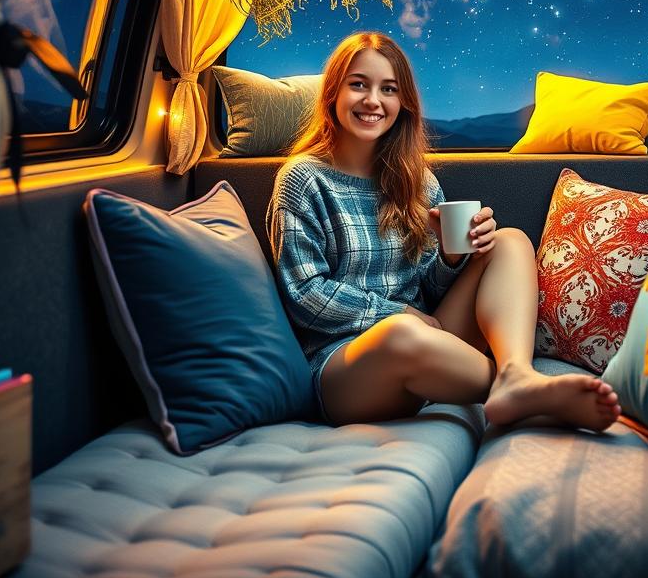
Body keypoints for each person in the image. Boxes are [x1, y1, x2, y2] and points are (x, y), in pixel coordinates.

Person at [267, 31, 622, 430]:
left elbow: (429, 287)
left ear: (403, 104)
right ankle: (519, 389)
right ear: (333, 92)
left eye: (389, 89)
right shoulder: (302, 179)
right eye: (358, 85)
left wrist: (453, 256)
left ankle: (516, 373)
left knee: (509, 242)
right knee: (400, 333)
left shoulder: (418, 181)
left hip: (430, 341)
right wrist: (398, 313)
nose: (373, 101)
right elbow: (305, 293)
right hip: (347, 367)